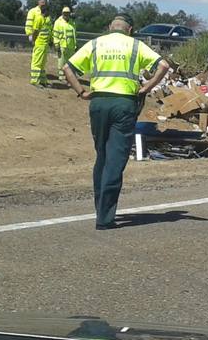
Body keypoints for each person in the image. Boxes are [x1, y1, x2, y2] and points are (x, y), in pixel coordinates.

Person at [64, 13, 171, 229]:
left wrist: (81, 92)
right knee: (116, 157)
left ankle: (100, 208)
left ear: (109, 27)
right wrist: (146, 87)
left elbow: (67, 68)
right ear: (129, 29)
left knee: (102, 155)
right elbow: (164, 66)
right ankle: (104, 217)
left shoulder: (95, 44)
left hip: (99, 102)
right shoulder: (135, 46)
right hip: (124, 104)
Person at [24, 0, 54, 86]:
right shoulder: (37, 16)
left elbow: (50, 30)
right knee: (37, 63)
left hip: (45, 44)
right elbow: (35, 30)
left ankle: (43, 81)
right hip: (39, 42)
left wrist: (51, 40)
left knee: (42, 63)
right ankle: (35, 81)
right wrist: (31, 37)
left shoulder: (47, 18)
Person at [52, 6, 77, 83]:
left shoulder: (72, 22)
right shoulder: (58, 22)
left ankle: (68, 77)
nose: (66, 14)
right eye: (65, 13)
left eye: (68, 13)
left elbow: (74, 34)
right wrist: (56, 45)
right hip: (62, 45)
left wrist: (75, 45)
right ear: (62, 13)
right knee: (61, 61)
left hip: (71, 46)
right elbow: (55, 34)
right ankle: (61, 77)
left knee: (70, 63)